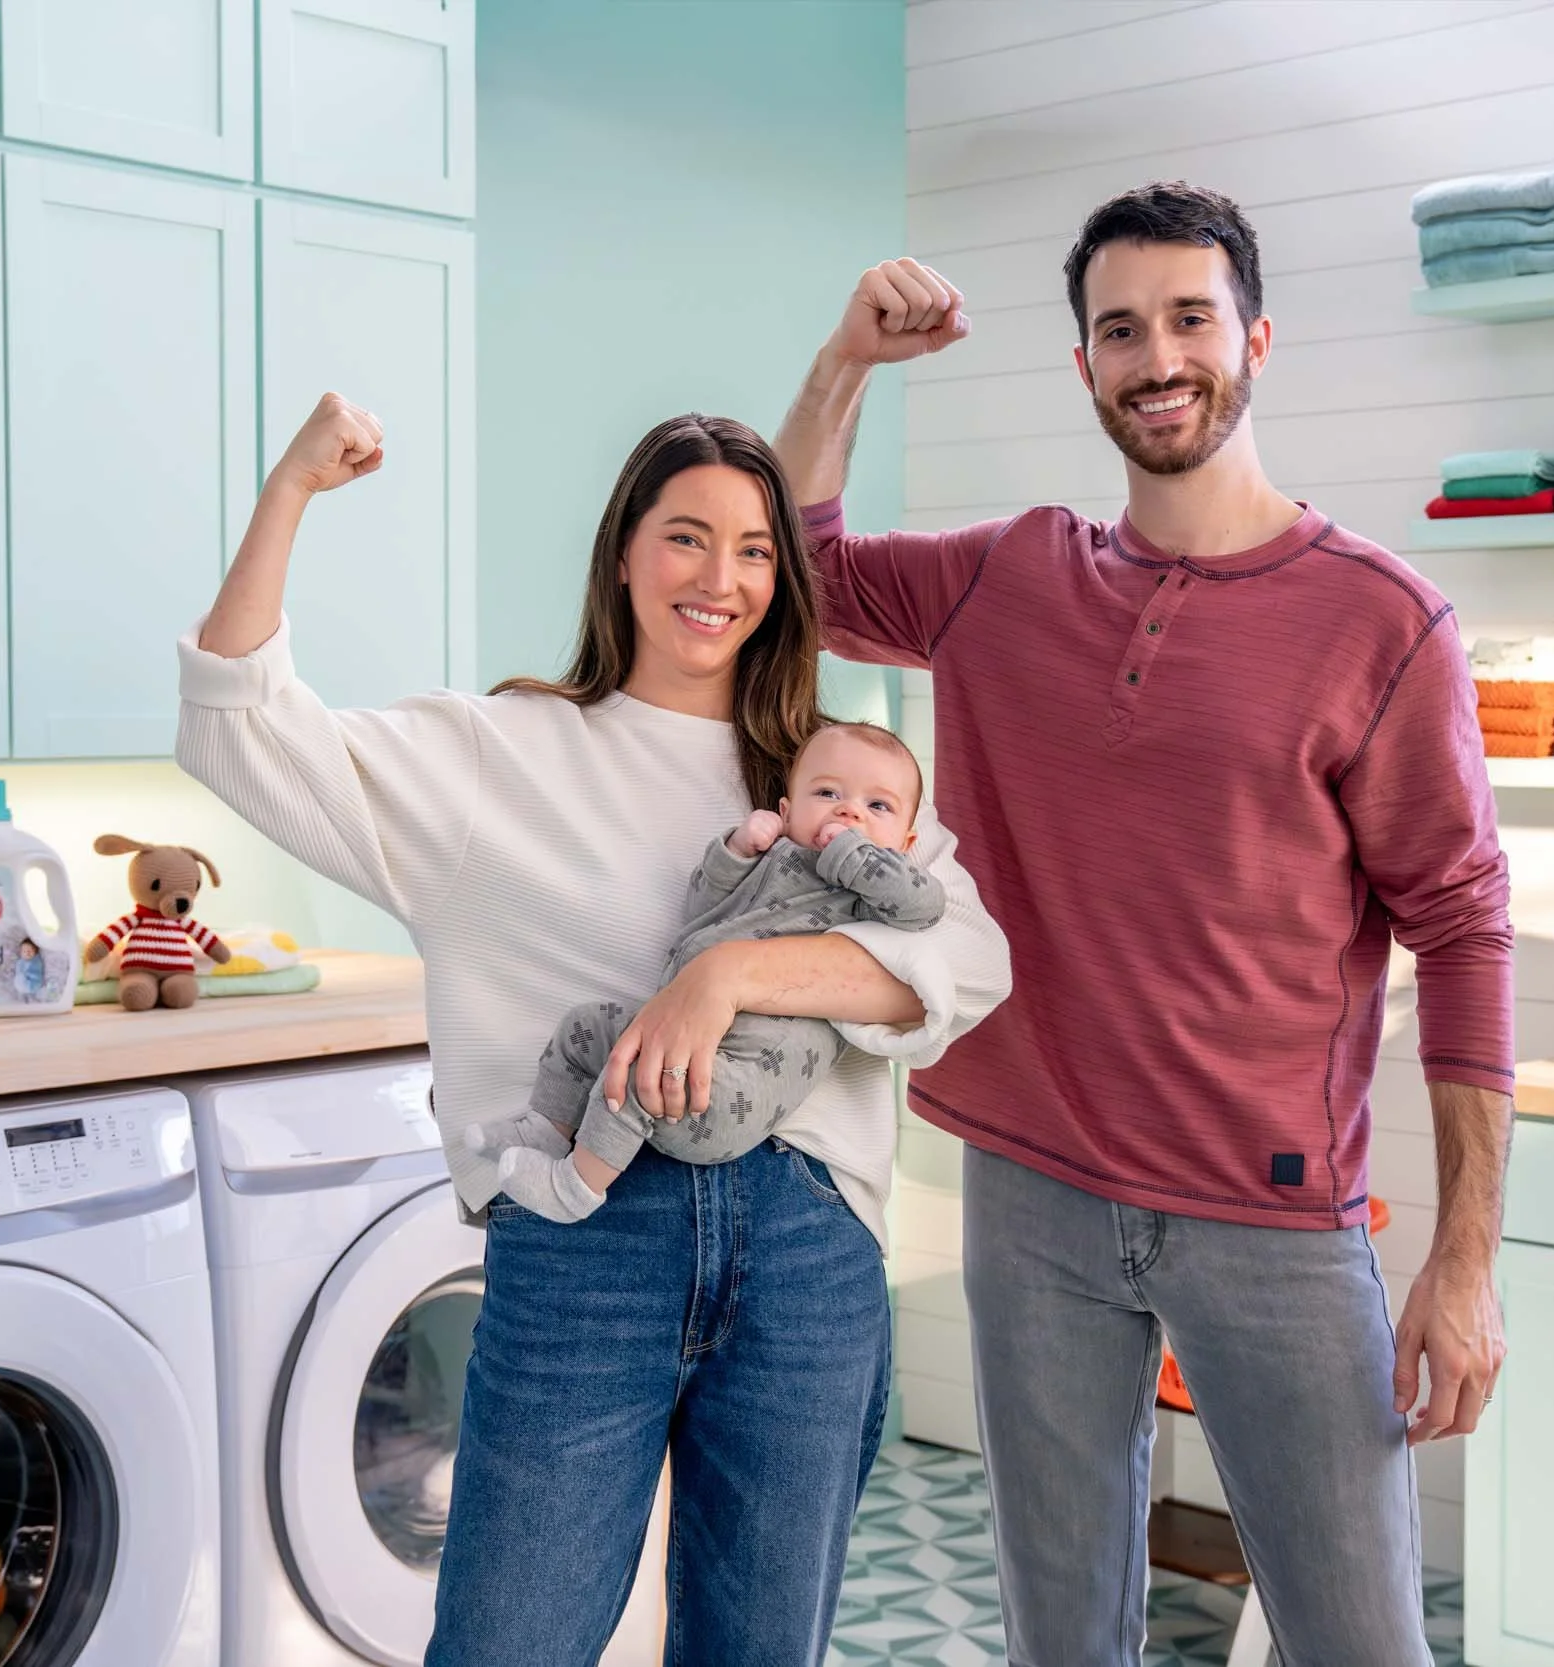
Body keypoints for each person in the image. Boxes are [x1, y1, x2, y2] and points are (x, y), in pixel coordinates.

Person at [775, 181, 1514, 1663]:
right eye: (1122, 329)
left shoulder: (1385, 620)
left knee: (1360, 1635)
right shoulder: (1007, 574)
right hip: (1032, 1191)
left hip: (1276, 1214)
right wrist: (845, 358)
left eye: (1189, 318)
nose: (1157, 356)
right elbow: (803, 571)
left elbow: (1463, 922)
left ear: (1255, 337)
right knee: (1063, 1633)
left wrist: (1466, 1257)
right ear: (1085, 366)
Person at [176, 397, 1010, 1663]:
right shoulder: (492, 754)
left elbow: (964, 959)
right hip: (585, 1241)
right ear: (623, 550)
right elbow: (239, 730)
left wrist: (729, 974)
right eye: (685, 536)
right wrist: (288, 488)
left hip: (804, 1250)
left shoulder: (827, 779)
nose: (717, 578)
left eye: (753, 550)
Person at [473, 720, 945, 1221]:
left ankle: (574, 1190)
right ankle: (542, 1132)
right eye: (827, 792)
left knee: (642, 1074)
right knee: (587, 1026)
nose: (848, 811)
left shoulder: (874, 888)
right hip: (681, 1030)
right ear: (787, 810)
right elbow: (701, 910)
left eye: (878, 807)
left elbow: (924, 906)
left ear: (905, 840)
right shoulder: (777, 856)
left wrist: (853, 852)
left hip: (736, 1086)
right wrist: (737, 852)